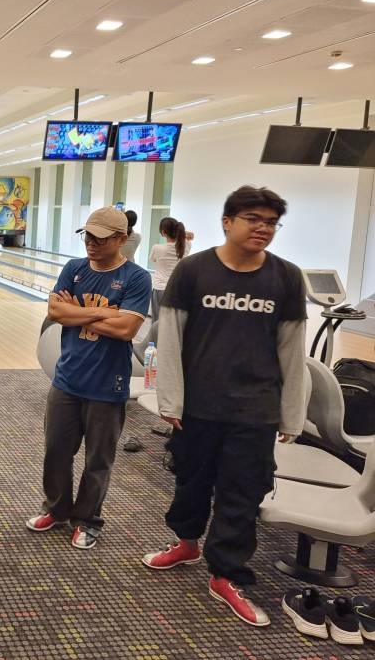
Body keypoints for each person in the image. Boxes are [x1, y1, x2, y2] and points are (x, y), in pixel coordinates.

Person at [140, 186, 307, 628]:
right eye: (253, 218)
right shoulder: (194, 271)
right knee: (191, 482)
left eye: (271, 222)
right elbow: (170, 338)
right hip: (199, 404)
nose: (263, 228)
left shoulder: (287, 277)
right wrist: (170, 400)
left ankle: (226, 573)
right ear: (227, 222)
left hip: (256, 408)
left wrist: (292, 411)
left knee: (242, 493)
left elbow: (292, 350)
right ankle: (187, 542)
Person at [25, 207, 151, 550]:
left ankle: (88, 520)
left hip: (107, 386)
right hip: (66, 380)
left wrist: (76, 314)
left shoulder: (137, 278)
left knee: (98, 461)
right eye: (88, 236)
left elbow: (127, 329)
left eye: (101, 237)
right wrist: (106, 312)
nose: (91, 243)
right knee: (56, 452)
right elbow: (55, 312)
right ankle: (56, 510)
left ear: (122, 240)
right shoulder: (74, 268)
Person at [148, 217, 191, 322]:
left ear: (163, 232)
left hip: (160, 288)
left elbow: (152, 260)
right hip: (178, 288)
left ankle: (156, 339)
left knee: (157, 321)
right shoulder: (186, 246)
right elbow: (188, 239)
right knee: (173, 322)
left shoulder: (157, 248)